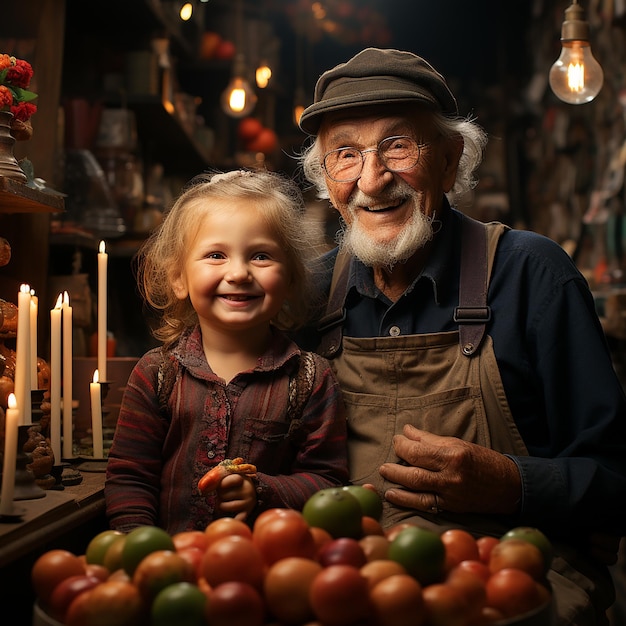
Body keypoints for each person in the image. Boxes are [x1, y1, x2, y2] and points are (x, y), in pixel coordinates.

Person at [296, 47, 626, 625]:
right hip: (352, 582)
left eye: (398, 146)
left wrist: (511, 485)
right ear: (326, 179)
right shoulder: (310, 292)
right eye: (345, 155)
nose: (372, 180)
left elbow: (617, 477)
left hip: (513, 577)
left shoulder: (532, 274)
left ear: (450, 161)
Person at [104, 169, 348, 534]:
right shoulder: (155, 374)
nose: (238, 273)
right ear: (178, 277)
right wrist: (138, 549)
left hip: (266, 573)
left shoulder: (310, 379)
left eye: (261, 256)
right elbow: (130, 479)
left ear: (292, 278)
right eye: (216, 255)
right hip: (170, 572)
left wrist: (263, 490)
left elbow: (328, 482)